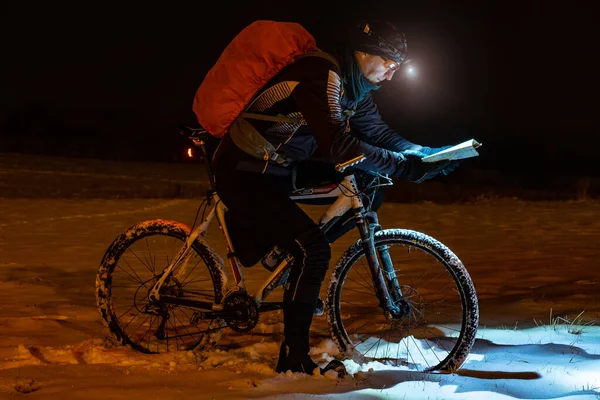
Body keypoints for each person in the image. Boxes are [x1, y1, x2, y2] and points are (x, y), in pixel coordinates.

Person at [210, 20, 460, 374]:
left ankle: (284, 255)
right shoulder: (322, 73)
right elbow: (338, 145)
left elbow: (378, 134)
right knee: (313, 250)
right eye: (389, 65)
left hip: (279, 167)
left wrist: (428, 154)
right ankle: (294, 359)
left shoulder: (354, 92)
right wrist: (403, 167)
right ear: (363, 53)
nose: (390, 76)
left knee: (367, 190)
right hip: (244, 169)